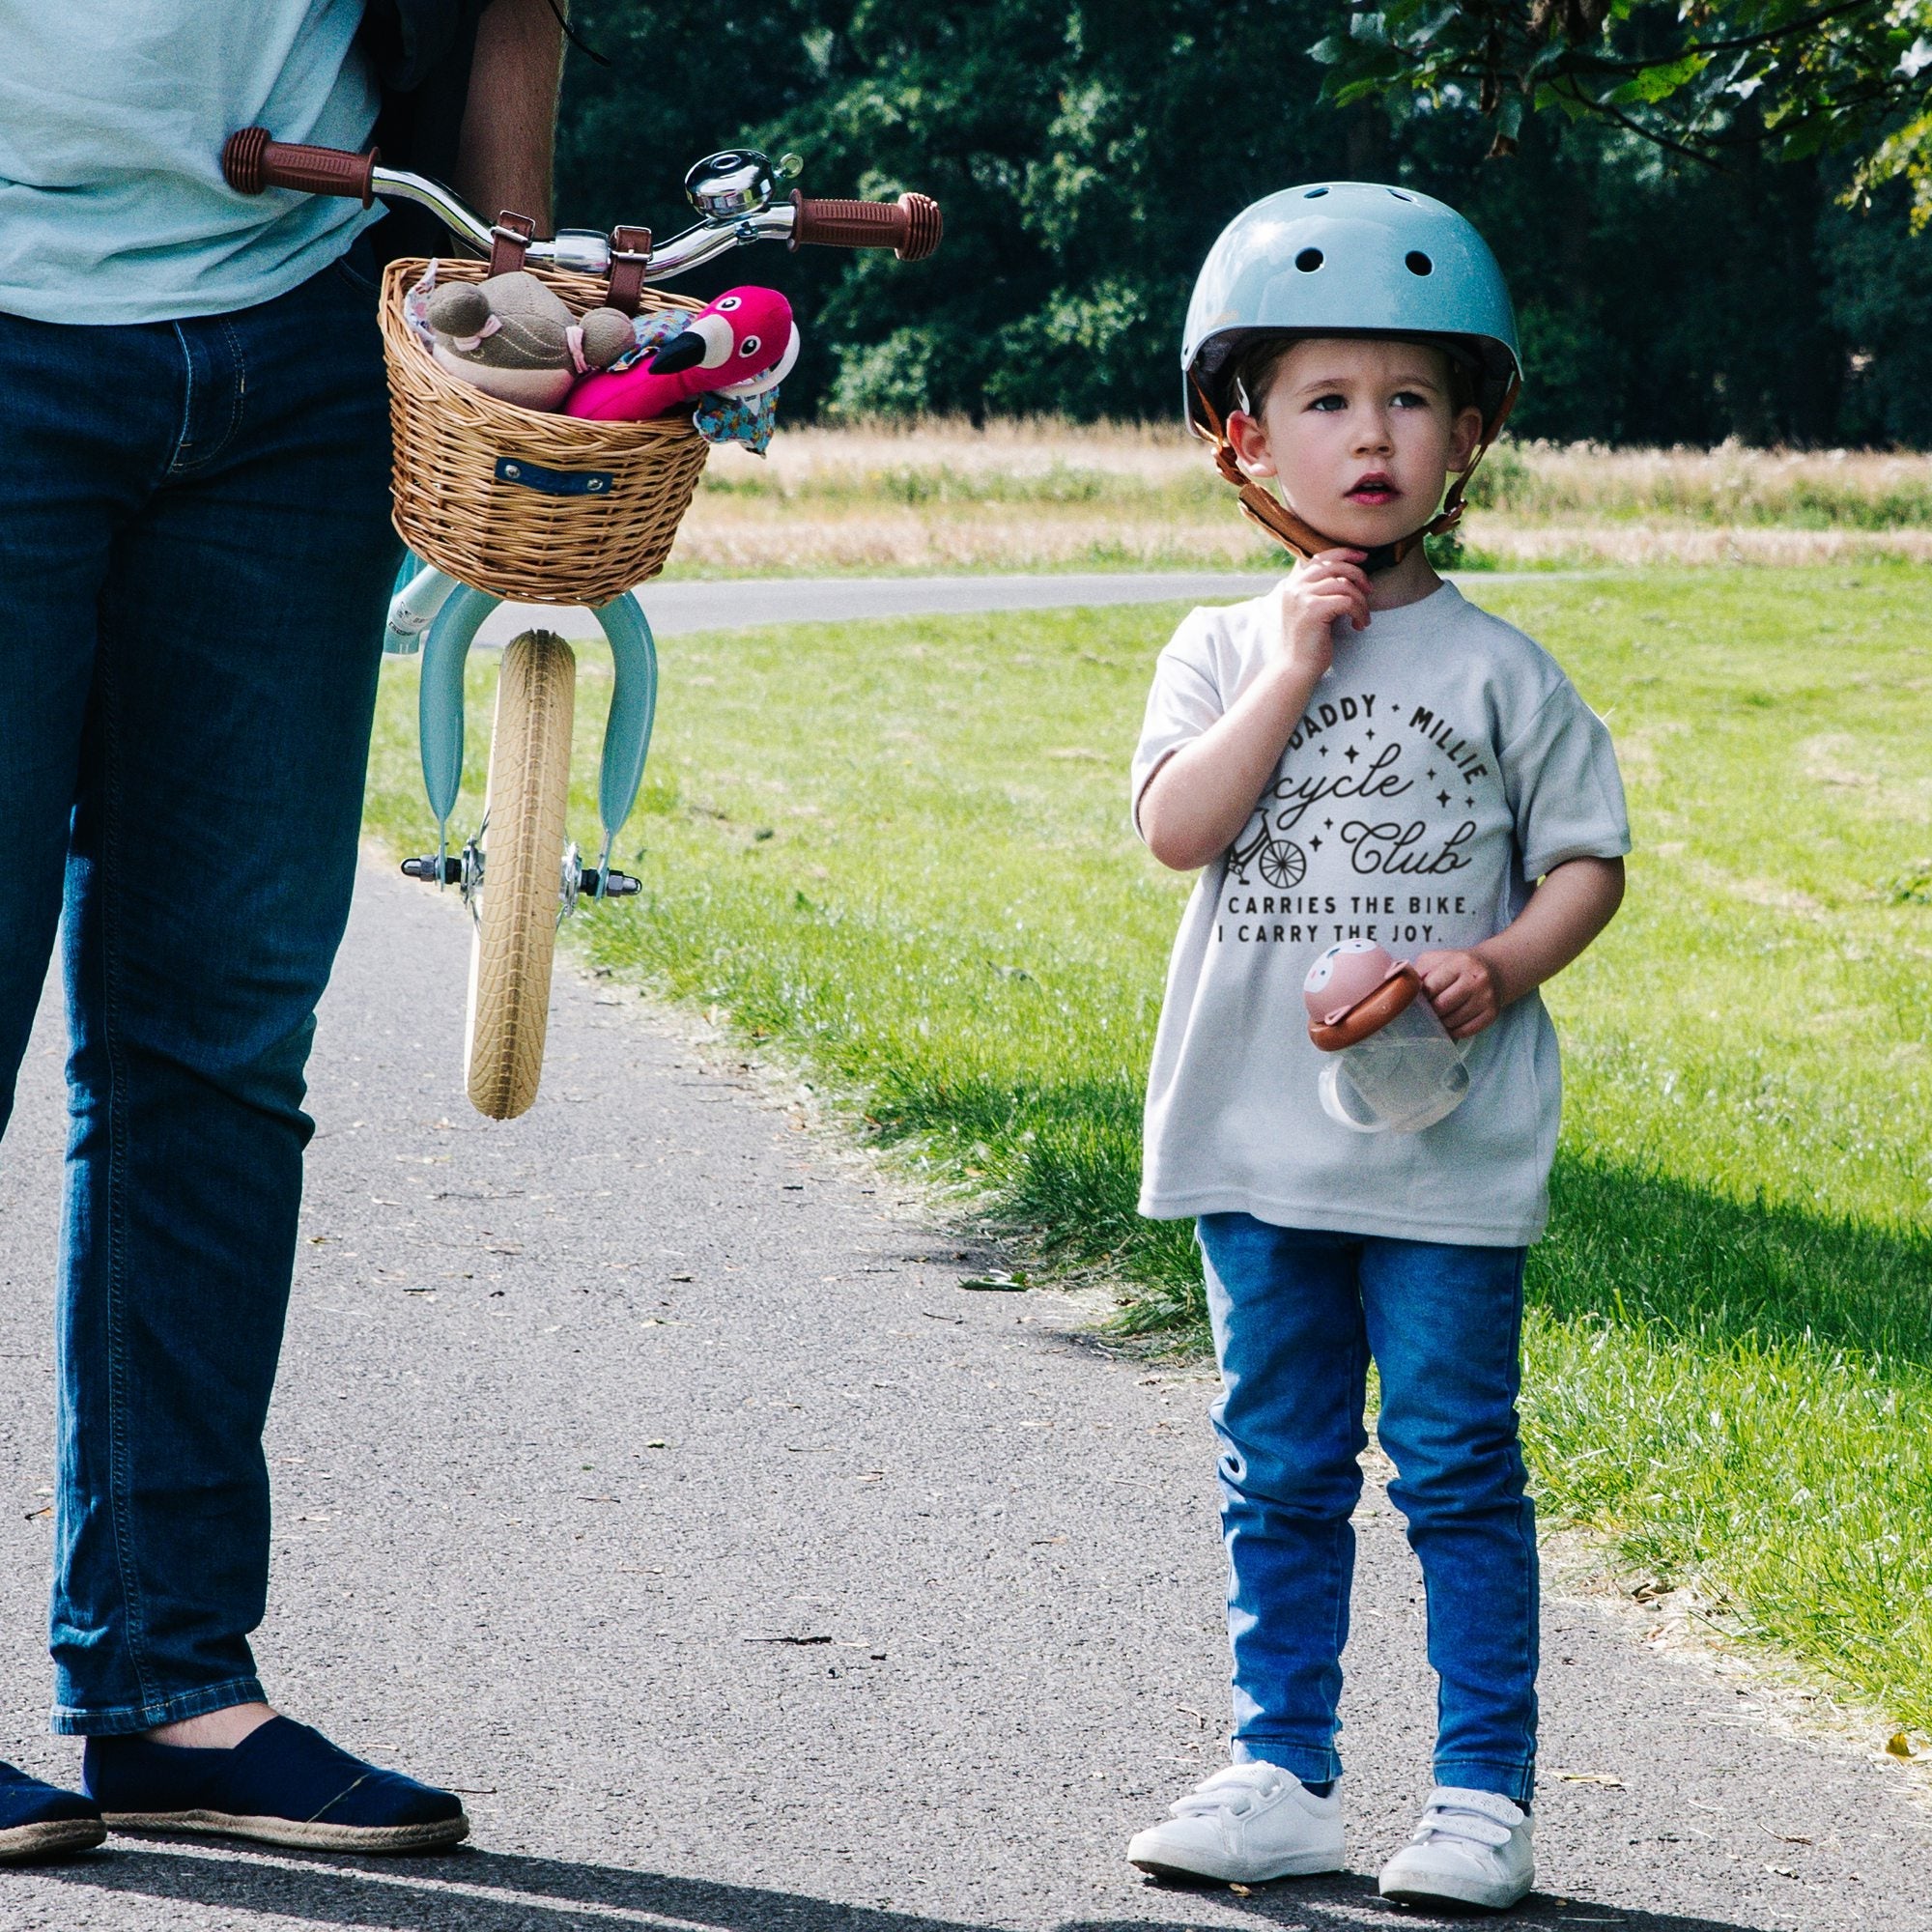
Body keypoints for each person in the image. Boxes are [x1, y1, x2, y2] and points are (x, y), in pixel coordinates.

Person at [0, 0, 565, 1863]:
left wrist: (517, 285)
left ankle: (170, 1686)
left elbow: (506, 6)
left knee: (220, 1037)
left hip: (299, 337)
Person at [1122, 184, 1630, 1912]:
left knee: (1459, 1463)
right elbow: (1181, 829)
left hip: (1442, 1147)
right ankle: (1280, 1766)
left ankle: (1482, 1798)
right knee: (1279, 1464)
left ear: (1469, 435)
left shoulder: (1503, 670)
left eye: (1410, 400)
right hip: (1261, 1143)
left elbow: (1588, 860)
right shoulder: (1214, 647)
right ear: (1245, 436)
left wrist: (1502, 958)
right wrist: (1291, 660)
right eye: (1327, 400)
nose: (1370, 436)